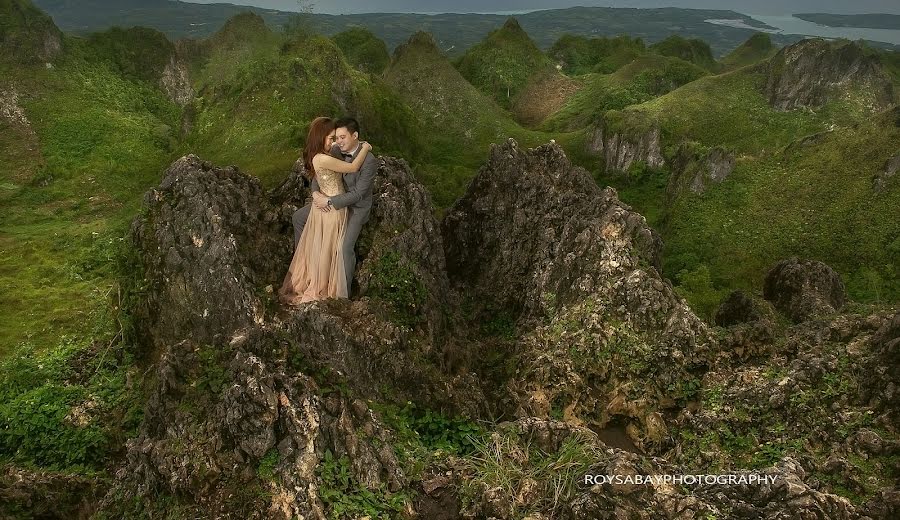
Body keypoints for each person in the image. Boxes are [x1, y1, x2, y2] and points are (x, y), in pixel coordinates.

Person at [279, 117, 372, 304]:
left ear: (355, 136)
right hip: (330, 202)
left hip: (353, 206)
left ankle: (342, 295)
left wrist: (328, 200)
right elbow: (318, 177)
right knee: (299, 218)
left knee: (343, 248)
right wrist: (315, 194)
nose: (338, 142)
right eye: (334, 137)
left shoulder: (369, 161)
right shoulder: (332, 151)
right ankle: (304, 266)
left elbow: (358, 194)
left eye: (341, 137)